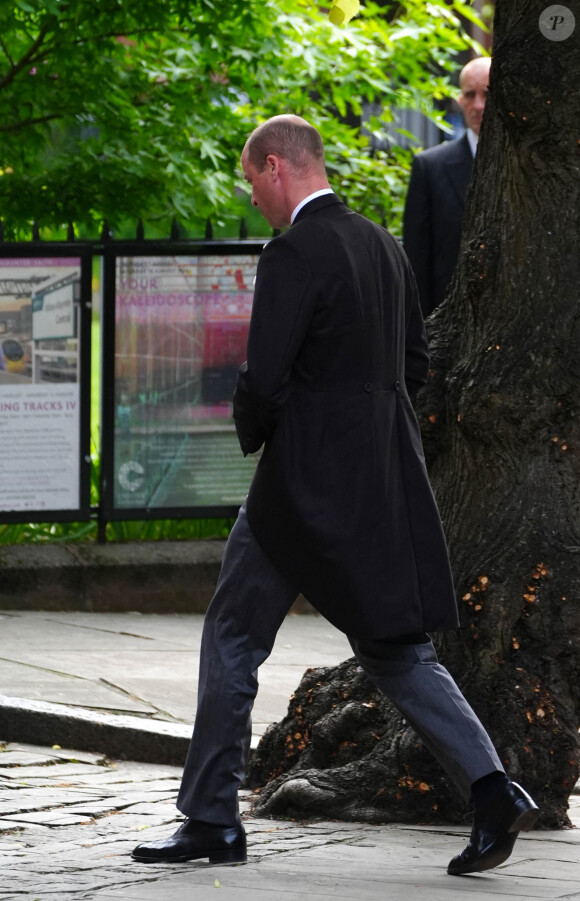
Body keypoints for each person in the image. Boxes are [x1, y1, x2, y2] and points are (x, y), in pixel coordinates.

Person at [132, 114, 539, 875]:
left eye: (252, 179)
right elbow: (415, 360)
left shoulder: (293, 252)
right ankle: (492, 788)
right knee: (397, 649)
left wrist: (260, 433)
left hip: (297, 488)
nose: (253, 196)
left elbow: (262, 376)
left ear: (278, 166)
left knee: (232, 636)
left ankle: (213, 819)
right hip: (382, 479)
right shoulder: (383, 244)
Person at [403, 56, 492, 318]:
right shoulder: (430, 167)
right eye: (470, 94)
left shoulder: (528, 164)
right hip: (450, 322)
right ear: (460, 99)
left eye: (487, 94)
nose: (478, 105)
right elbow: (417, 260)